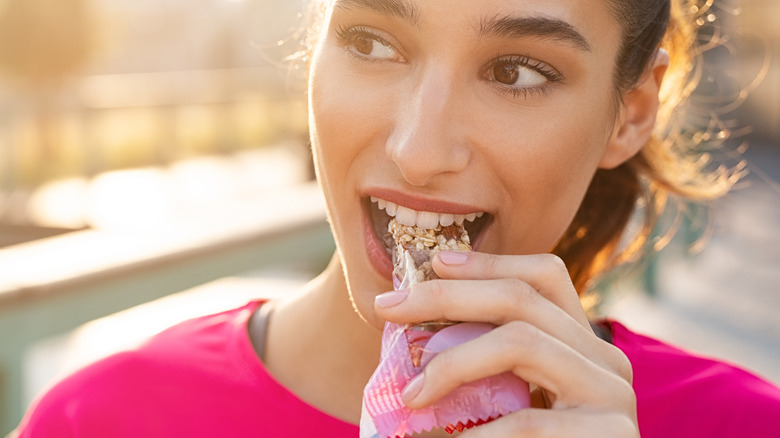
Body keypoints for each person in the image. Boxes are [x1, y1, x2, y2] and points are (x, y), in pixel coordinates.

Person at [13, 0, 780, 437]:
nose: (419, 150)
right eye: (373, 42)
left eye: (517, 73)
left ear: (630, 113)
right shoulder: (100, 420)